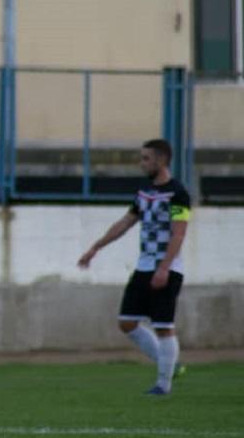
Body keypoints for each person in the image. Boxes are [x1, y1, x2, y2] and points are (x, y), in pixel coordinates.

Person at [78, 138, 190, 395]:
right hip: (144, 266)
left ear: (162, 160)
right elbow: (126, 222)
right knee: (127, 322)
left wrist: (164, 268)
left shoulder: (178, 193)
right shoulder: (144, 191)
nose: (142, 163)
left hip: (167, 268)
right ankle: (170, 365)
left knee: (163, 326)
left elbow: (179, 233)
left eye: (146, 159)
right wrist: (96, 247)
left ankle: (163, 385)